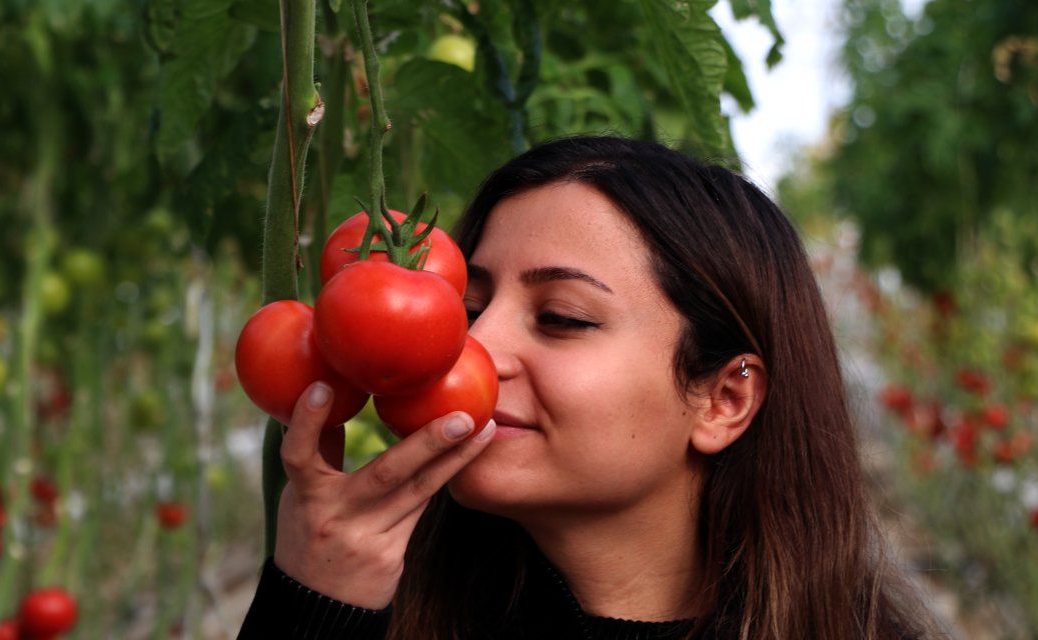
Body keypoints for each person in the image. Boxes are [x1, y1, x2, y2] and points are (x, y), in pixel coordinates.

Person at [237, 135, 941, 639]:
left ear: (724, 399)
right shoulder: (377, 607)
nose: (471, 347)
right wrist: (314, 606)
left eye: (562, 318)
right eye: (470, 307)